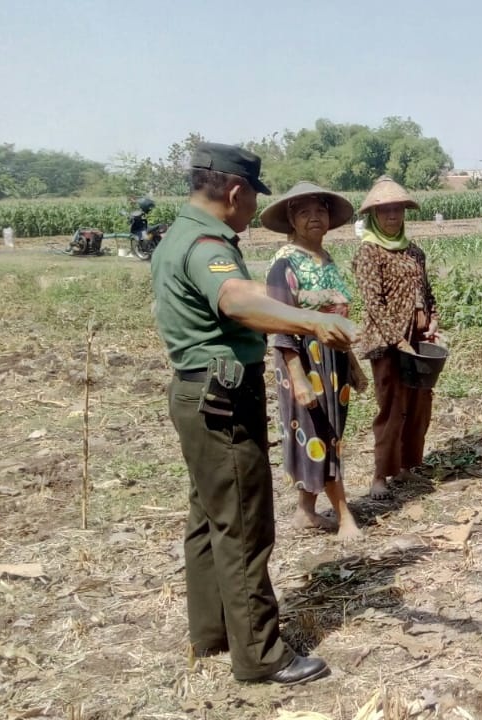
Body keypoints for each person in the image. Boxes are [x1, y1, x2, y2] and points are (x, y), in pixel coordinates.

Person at [151, 143, 360, 685]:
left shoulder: (177, 234)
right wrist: (310, 323)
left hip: (196, 395)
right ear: (236, 192)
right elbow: (239, 298)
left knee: (210, 518)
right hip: (222, 402)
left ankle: (215, 631)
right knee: (245, 526)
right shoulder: (205, 243)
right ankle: (262, 656)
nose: (250, 214)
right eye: (251, 202)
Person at [260, 181, 369, 540]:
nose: (314, 218)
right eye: (304, 212)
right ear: (291, 219)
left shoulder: (325, 258)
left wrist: (351, 362)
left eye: (319, 210)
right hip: (304, 361)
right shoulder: (284, 263)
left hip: (333, 363)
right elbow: (278, 323)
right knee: (320, 433)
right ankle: (344, 516)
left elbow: (336, 315)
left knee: (327, 435)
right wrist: (299, 377)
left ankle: (305, 511)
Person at [350, 175, 439, 499]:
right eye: (385, 211)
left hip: (416, 340)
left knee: (418, 404)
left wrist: (432, 319)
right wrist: (395, 338)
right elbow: (373, 304)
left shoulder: (415, 252)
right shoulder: (369, 253)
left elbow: (426, 292)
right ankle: (379, 476)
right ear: (374, 215)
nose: (392, 217)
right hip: (386, 343)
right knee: (390, 407)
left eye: (397, 211)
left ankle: (405, 467)